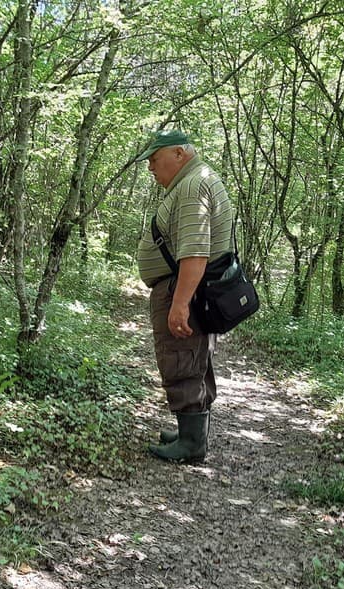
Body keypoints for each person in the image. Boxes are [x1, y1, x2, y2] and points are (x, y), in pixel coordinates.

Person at [135, 129, 234, 463]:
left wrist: (179, 303)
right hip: (191, 290)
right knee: (194, 359)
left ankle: (192, 444)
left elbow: (194, 251)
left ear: (178, 154)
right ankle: (192, 432)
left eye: (154, 158)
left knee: (180, 359)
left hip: (185, 290)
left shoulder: (192, 187)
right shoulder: (198, 180)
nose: (150, 167)